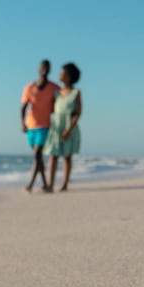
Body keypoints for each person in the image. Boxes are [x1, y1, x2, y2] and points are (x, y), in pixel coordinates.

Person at [20, 60, 60, 193]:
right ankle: (45, 184)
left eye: (48, 67)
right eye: (43, 67)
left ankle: (31, 184)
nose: (45, 69)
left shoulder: (54, 88)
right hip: (31, 125)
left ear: (50, 70)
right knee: (38, 157)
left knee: (37, 154)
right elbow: (23, 107)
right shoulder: (29, 88)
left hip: (45, 125)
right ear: (38, 69)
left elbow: (59, 104)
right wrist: (22, 123)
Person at [45, 62, 82, 192]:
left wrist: (69, 129)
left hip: (69, 126)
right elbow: (51, 109)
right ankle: (50, 184)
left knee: (67, 156)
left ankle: (64, 184)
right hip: (56, 126)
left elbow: (78, 113)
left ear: (69, 76)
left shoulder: (76, 93)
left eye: (62, 73)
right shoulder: (57, 92)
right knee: (53, 155)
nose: (60, 75)